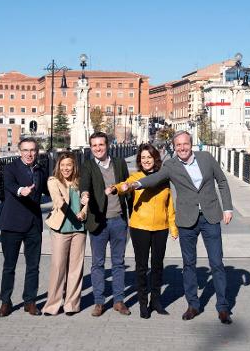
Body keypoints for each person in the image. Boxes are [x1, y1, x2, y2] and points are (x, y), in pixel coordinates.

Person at [125, 130, 234, 324]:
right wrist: (135, 184)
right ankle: (193, 305)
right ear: (174, 148)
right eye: (178, 145)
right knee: (189, 264)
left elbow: (222, 181)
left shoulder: (206, 158)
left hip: (210, 217)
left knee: (216, 263)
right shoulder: (171, 165)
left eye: (185, 144)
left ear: (191, 144)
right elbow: (154, 179)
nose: (182, 148)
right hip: (186, 221)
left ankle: (223, 307)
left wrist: (227, 208)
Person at [109, 143, 177, 319]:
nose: (146, 160)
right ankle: (143, 303)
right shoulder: (136, 177)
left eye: (149, 157)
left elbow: (169, 204)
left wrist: (173, 226)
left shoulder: (163, 178)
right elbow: (125, 186)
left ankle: (156, 301)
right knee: (141, 267)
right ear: (139, 160)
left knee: (157, 266)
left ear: (155, 159)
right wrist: (117, 188)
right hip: (140, 228)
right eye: (143, 158)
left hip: (161, 228)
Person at [79, 131, 132, 317]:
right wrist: (84, 195)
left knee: (118, 262)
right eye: (94, 145)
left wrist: (131, 208)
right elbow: (84, 185)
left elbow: (127, 186)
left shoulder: (119, 163)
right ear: (90, 147)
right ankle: (99, 302)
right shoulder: (87, 165)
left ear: (107, 145)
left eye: (101, 145)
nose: (98, 148)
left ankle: (119, 301)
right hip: (98, 222)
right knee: (97, 263)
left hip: (118, 220)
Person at [0, 137, 48, 318]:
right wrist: (21, 190)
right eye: (26, 150)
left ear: (37, 152)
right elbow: (10, 185)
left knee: (33, 266)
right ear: (20, 151)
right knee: (9, 266)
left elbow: (49, 190)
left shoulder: (40, 170)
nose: (29, 154)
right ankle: (5, 301)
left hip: (33, 225)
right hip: (12, 224)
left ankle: (30, 301)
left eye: (33, 150)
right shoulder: (10, 168)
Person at [42, 152, 89, 316]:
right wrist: (73, 216)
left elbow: (87, 201)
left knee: (76, 268)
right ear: (58, 167)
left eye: (69, 165)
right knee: (58, 266)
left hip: (79, 230)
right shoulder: (53, 181)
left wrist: (83, 213)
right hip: (61, 228)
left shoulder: (80, 181)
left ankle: (71, 305)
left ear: (74, 166)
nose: (66, 168)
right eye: (62, 165)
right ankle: (52, 305)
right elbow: (59, 202)